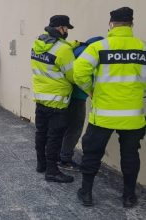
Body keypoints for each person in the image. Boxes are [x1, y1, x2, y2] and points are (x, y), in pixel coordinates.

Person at [74, 7, 146, 208]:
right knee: (131, 156)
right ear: (131, 24)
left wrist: (91, 91)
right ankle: (129, 196)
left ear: (111, 24)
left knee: (92, 153)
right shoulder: (142, 48)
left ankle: (86, 193)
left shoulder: (99, 47)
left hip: (103, 115)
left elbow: (79, 72)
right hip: (133, 116)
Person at [31, 15, 77, 183]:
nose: (67, 32)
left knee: (41, 133)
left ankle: (41, 164)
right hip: (57, 102)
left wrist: (71, 45)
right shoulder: (64, 50)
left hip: (41, 99)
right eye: (66, 29)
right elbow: (73, 76)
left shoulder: (37, 44)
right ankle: (52, 171)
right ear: (60, 28)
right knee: (54, 137)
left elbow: (54, 52)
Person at [58, 36, 104, 171]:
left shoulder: (77, 50)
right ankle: (65, 159)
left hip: (66, 95)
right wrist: (90, 90)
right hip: (77, 97)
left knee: (65, 127)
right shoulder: (86, 52)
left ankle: (59, 155)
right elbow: (81, 74)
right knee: (75, 129)